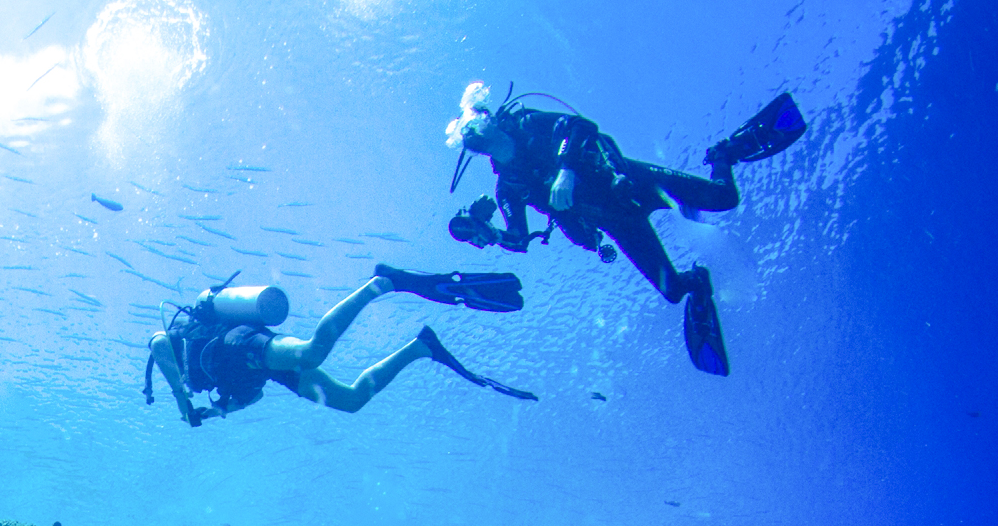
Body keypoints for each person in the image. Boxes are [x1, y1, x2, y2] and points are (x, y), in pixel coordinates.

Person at [444, 82, 805, 376]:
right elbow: (520, 239)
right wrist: (492, 236)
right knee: (673, 291)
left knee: (724, 197)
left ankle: (724, 154)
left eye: (473, 123)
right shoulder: (507, 187)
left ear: (489, 118)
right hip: (618, 223)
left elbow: (580, 127)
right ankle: (698, 282)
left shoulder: (528, 124)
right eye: (467, 134)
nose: (473, 132)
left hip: (630, 182)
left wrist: (567, 169)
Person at [144, 266, 536, 427]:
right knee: (351, 401)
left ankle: (380, 283)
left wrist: (182, 403)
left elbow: (158, 342)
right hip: (257, 369)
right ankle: (421, 347)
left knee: (313, 351)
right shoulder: (205, 385)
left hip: (237, 344)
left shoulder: (179, 346)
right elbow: (253, 396)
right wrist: (213, 413)